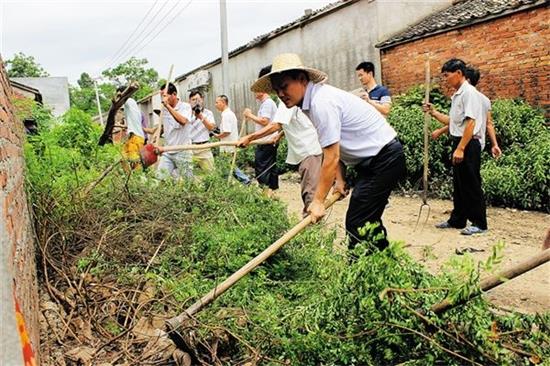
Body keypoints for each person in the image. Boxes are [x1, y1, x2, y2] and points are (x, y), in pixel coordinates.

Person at [252, 53, 406, 250]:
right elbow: (334, 145)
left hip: (384, 158)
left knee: (358, 221)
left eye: (284, 87)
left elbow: (331, 157)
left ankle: (371, 266)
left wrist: (317, 201)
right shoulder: (312, 101)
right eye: (276, 90)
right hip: (371, 161)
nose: (281, 94)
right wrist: (340, 180)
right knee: (365, 219)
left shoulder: (320, 102)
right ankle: (382, 261)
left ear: (301, 79)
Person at [238, 66, 322, 216]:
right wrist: (281, 134)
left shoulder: (285, 101)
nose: (279, 91)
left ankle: (311, 227)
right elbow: (294, 121)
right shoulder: (290, 100)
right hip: (307, 150)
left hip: (309, 150)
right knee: (309, 188)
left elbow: (275, 124)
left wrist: (250, 137)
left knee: (310, 192)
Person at [423, 58, 487, 235]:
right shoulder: (458, 95)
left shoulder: (469, 93)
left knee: (471, 184)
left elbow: (471, 123)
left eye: (447, 75)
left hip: (468, 144)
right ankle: (458, 219)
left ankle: (479, 223)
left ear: (459, 73)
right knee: (459, 184)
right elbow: (454, 122)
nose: (446, 79)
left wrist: (461, 148)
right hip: (459, 141)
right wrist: (433, 112)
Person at [431, 66, 502, 159]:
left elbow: (469, 122)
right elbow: (488, 124)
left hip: (468, 141)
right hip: (477, 142)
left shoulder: (468, 95)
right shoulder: (485, 99)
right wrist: (495, 144)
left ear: (466, 79)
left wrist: (460, 148)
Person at [244, 66, 279, 197]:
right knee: (271, 165)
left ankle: (265, 191)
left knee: (262, 166)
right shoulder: (265, 104)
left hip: (266, 141)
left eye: (256, 90)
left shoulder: (268, 103)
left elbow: (265, 121)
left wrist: (250, 115)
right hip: (269, 140)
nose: (254, 93)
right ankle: (272, 191)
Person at [156, 82, 193, 180]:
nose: (163, 98)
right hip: (167, 151)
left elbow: (183, 121)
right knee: (160, 179)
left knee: (189, 182)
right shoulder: (163, 109)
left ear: (174, 94)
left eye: (165, 95)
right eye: (161, 96)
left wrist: (168, 106)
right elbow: (166, 128)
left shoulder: (185, 107)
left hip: (183, 150)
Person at [213, 94, 251, 184]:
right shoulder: (228, 114)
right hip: (229, 145)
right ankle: (228, 183)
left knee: (228, 166)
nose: (215, 104)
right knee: (229, 166)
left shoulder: (226, 115)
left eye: (217, 102)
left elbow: (227, 131)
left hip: (227, 146)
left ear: (223, 102)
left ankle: (245, 180)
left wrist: (218, 136)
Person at [117, 86, 145, 170]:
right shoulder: (129, 106)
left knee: (135, 162)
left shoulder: (129, 101)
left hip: (136, 137)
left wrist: (120, 95)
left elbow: (122, 99)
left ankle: (137, 180)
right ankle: (129, 178)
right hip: (132, 137)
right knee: (122, 157)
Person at [188, 89, 216, 173]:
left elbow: (211, 127)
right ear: (189, 101)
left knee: (211, 174)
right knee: (188, 175)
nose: (196, 102)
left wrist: (201, 117)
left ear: (202, 100)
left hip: (204, 147)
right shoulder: (186, 113)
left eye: (198, 100)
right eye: (193, 100)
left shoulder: (208, 113)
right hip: (190, 148)